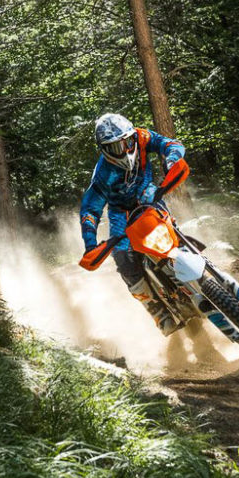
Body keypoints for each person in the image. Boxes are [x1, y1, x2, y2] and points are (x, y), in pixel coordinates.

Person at [79, 113, 186, 335]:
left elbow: (171, 144)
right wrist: (91, 244)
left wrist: (172, 158)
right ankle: (159, 313)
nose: (125, 150)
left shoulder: (143, 137)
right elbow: (90, 210)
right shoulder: (102, 175)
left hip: (150, 200)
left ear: (132, 137)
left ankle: (205, 273)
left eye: (127, 143)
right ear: (104, 149)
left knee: (175, 236)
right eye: (116, 147)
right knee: (123, 260)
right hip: (121, 216)